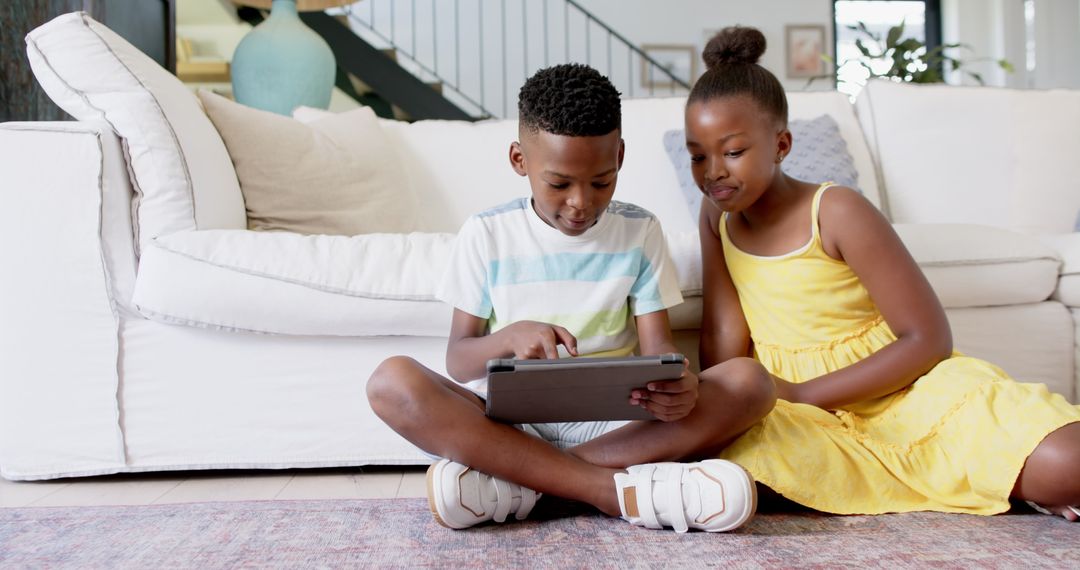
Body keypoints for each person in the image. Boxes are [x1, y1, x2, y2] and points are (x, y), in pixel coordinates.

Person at [688, 26, 1080, 521]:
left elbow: (927, 338)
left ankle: (1014, 474)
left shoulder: (837, 209)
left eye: (732, 152)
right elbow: (723, 334)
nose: (713, 172)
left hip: (898, 390)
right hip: (788, 408)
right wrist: (725, 406)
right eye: (697, 156)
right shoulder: (716, 217)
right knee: (734, 477)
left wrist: (805, 393)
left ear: (781, 144)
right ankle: (999, 481)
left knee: (1069, 462)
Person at [366, 63, 776, 533]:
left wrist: (676, 385)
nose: (581, 202)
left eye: (601, 182)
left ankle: (521, 482)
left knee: (750, 382)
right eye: (559, 184)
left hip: (613, 425)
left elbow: (658, 350)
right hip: (510, 426)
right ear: (519, 160)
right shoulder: (486, 233)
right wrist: (509, 338)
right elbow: (458, 361)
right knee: (390, 382)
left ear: (619, 156)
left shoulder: (640, 231)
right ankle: (608, 489)